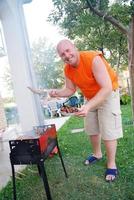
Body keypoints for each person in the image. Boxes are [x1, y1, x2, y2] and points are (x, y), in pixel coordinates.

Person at [29, 39, 123, 182]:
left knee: (108, 131)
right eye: (62, 54)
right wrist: (55, 92)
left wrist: (88, 106)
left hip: (108, 94)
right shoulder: (67, 69)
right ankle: (97, 154)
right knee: (92, 128)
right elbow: (70, 89)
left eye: (68, 50)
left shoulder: (93, 59)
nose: (66, 55)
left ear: (75, 48)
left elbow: (107, 88)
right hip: (90, 97)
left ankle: (111, 164)